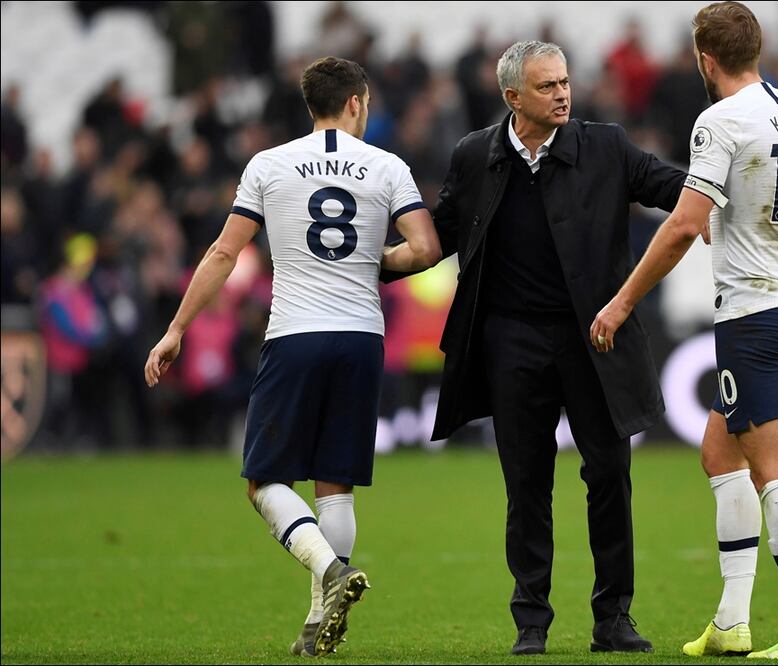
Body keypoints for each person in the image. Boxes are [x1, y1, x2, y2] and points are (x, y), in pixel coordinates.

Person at [383, 40, 685, 656]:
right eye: (548, 86)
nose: (563, 94)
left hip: (594, 336)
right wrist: (374, 263)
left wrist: (734, 185)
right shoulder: (475, 154)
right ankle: (531, 621)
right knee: (525, 484)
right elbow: (441, 235)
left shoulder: (606, 146)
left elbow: (675, 188)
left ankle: (613, 618)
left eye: (565, 82)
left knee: (610, 473)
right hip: (512, 341)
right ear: (512, 96)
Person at [144, 56, 441, 657]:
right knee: (335, 486)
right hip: (361, 338)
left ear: (312, 105)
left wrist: (176, 329)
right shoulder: (388, 166)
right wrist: (372, 261)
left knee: (263, 481)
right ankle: (317, 625)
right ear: (356, 102)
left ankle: (331, 572)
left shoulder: (268, 164)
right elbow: (427, 248)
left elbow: (224, 254)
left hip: (296, 334)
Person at [589, 2, 778, 659]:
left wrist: (621, 303)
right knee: (719, 453)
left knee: (776, 473)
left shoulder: (720, 119)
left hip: (753, 315)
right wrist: (758, 216)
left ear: (705, 59)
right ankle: (731, 620)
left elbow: (681, 225)